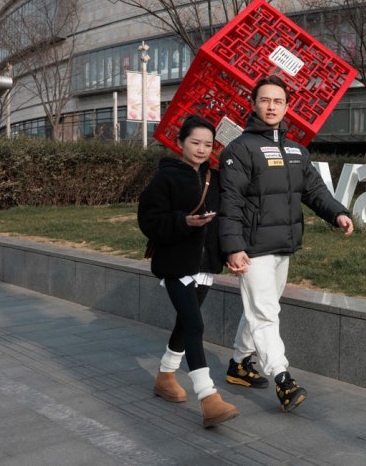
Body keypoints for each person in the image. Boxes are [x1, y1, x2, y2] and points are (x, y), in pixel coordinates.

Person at [219, 75, 354, 412]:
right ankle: (282, 378)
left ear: (286, 107)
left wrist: (337, 213)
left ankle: (238, 364)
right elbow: (230, 202)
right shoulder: (240, 149)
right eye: (265, 100)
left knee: (261, 308)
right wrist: (233, 246)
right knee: (265, 313)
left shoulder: (296, 151)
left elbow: (314, 191)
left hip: (283, 245)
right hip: (252, 248)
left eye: (278, 101)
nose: (271, 106)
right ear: (253, 104)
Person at [137, 115, 239, 428]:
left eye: (208, 144)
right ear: (180, 143)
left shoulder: (217, 177)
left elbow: (227, 216)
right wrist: (183, 222)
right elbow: (149, 222)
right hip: (176, 265)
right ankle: (208, 398)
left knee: (185, 323)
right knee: (195, 325)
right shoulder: (164, 179)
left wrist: (231, 253)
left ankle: (166, 376)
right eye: (195, 142)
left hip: (206, 265)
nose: (201, 149)